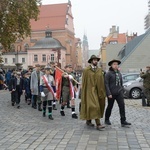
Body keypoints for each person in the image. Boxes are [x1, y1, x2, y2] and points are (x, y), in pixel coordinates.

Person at [80, 55, 106, 130]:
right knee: (95, 106)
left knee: (96, 105)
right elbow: (84, 82)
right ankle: (98, 124)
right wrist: (84, 92)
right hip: (90, 91)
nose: (95, 61)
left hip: (99, 90)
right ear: (91, 61)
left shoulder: (100, 70)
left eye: (96, 60)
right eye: (94, 60)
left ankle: (88, 120)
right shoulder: (86, 70)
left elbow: (102, 80)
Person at [105, 59, 131, 127]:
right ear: (111, 65)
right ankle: (107, 119)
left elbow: (121, 83)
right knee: (110, 106)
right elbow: (106, 84)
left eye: (117, 64)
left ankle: (123, 120)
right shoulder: (108, 73)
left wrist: (122, 90)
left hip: (119, 93)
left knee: (122, 106)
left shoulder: (119, 73)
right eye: (114, 64)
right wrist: (108, 93)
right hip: (111, 93)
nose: (116, 65)